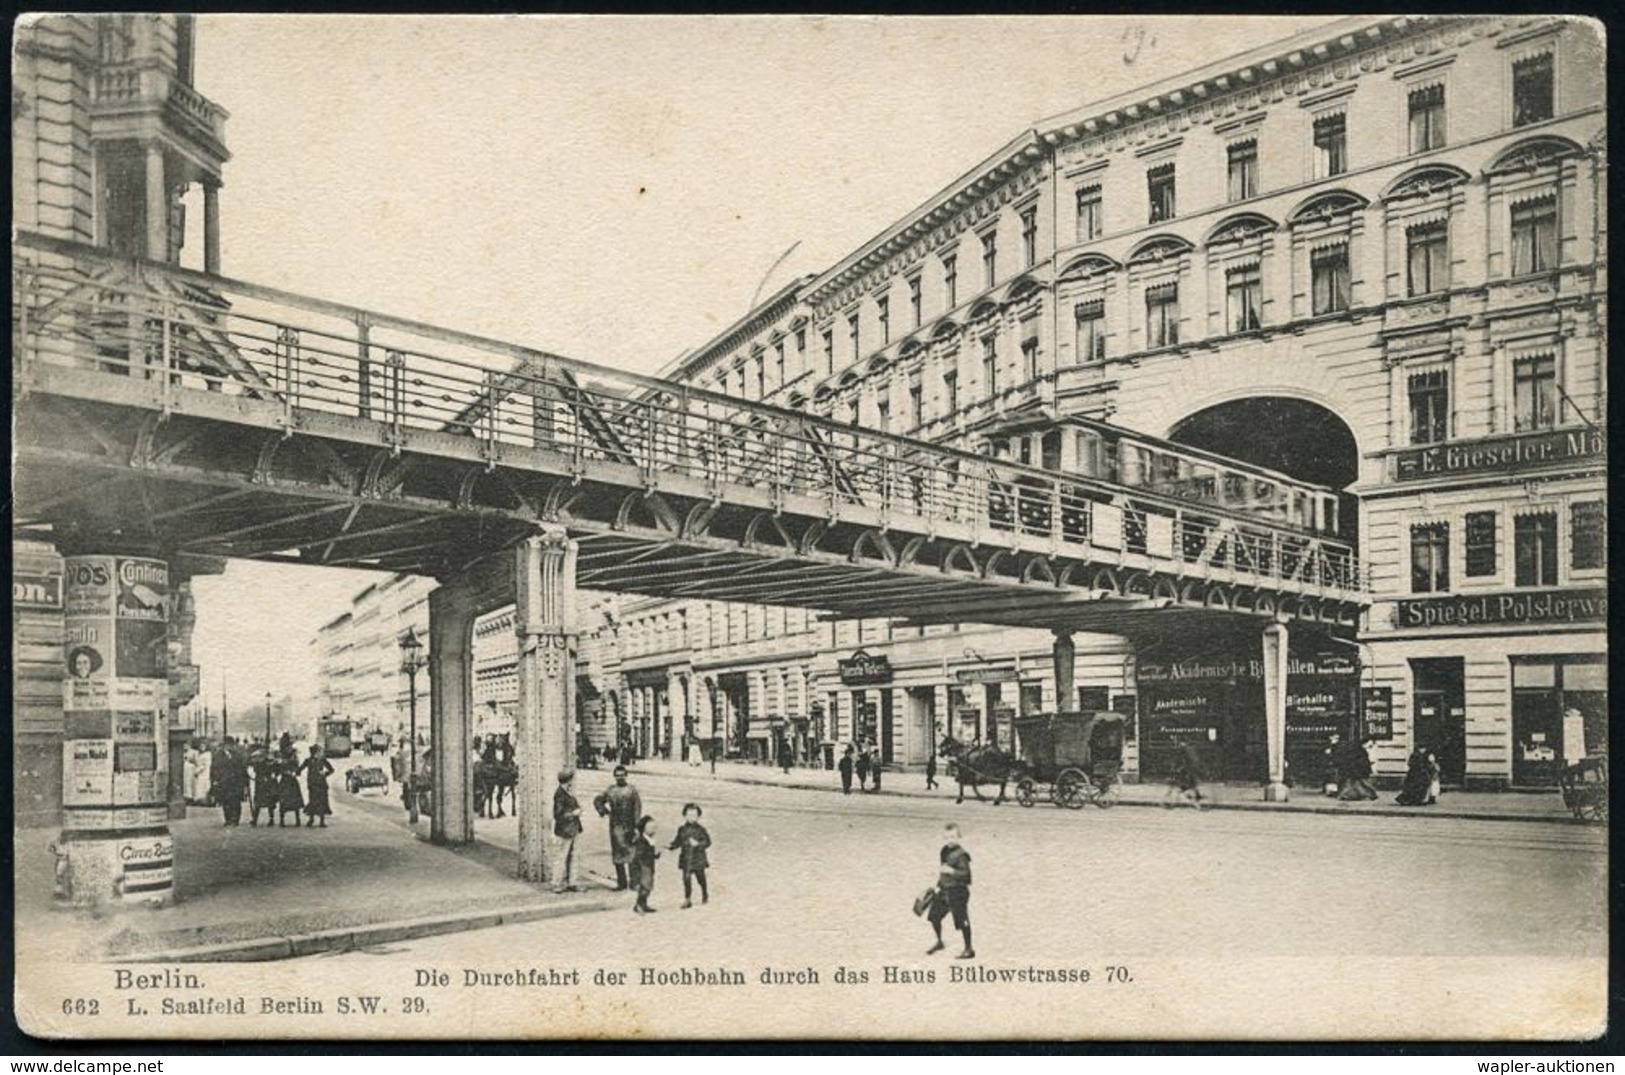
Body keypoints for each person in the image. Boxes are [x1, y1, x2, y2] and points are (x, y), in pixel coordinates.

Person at [927, 822, 974, 959]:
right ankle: (939, 942)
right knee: (934, 916)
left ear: (959, 837)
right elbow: (942, 871)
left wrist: (952, 871)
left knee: (962, 920)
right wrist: (938, 885)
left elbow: (967, 876)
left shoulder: (962, 855)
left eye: (953, 837)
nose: (950, 840)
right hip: (944, 889)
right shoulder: (944, 851)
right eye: (947, 837)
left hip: (958, 891)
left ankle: (969, 948)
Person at [593, 765, 643, 890]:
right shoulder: (610, 790)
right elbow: (598, 800)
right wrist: (604, 811)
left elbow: (637, 809)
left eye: (622, 775)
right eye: (617, 775)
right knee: (618, 856)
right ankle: (621, 883)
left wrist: (637, 827)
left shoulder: (632, 790)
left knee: (633, 855)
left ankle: (635, 882)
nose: (620, 777)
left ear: (626, 775)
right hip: (615, 827)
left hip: (630, 825)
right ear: (614, 776)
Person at [668, 802, 712, 908]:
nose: (692, 818)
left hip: (698, 858)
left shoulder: (701, 830)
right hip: (686, 858)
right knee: (686, 879)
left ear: (698, 816)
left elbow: (708, 842)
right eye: (689, 815)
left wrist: (698, 844)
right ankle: (688, 899)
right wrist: (671, 846)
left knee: (700, 878)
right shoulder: (682, 829)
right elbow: (678, 841)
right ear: (684, 816)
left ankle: (704, 893)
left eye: (694, 815)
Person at [552, 769, 584, 893]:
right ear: (568, 780)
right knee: (562, 856)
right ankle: (557, 883)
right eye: (571, 779)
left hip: (573, 829)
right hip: (565, 830)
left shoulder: (567, 792)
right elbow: (558, 815)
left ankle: (572, 882)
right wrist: (573, 813)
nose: (572, 781)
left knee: (574, 856)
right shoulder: (560, 794)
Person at [211, 738, 246, 827]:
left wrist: (245, 782)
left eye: (231, 745)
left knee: (236, 801)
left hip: (236, 782)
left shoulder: (238, 755)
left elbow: (242, 768)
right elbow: (214, 769)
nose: (229, 747)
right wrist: (214, 780)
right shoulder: (218, 756)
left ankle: (235, 819)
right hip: (224, 782)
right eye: (227, 745)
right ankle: (228, 819)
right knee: (225, 801)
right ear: (224, 746)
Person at [630, 816, 660, 914]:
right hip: (642, 866)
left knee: (648, 886)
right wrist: (653, 854)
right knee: (645, 886)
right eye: (651, 828)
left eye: (654, 828)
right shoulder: (641, 841)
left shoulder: (648, 840)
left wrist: (655, 855)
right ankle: (639, 905)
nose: (653, 830)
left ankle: (644, 904)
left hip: (648, 866)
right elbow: (641, 854)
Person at [300, 743, 335, 827]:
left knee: (322, 801)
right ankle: (311, 819)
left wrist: (325, 773)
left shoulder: (323, 760)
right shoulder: (308, 760)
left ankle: (321, 821)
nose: (320, 753)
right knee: (313, 800)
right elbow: (300, 768)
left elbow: (331, 770)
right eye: (319, 751)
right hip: (312, 784)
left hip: (321, 783)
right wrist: (296, 772)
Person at [1164, 743, 1204, 809]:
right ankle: (1196, 799)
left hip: (1186, 776)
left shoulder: (1186, 756)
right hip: (1188, 775)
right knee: (1187, 789)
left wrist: (1178, 770)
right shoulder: (1189, 754)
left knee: (1182, 789)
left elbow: (1184, 765)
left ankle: (1174, 804)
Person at [276, 740, 305, 827]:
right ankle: (282, 820)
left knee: (294, 801)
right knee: (284, 800)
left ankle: (297, 820)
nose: (290, 747)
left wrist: (294, 772)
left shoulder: (293, 756)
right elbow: (278, 769)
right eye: (289, 746)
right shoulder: (281, 756)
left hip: (291, 779)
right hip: (285, 779)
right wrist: (283, 769)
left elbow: (297, 768)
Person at [248, 745, 278, 827]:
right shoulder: (259, 762)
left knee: (267, 802)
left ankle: (266, 819)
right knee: (260, 802)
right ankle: (257, 819)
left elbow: (275, 771)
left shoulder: (267, 762)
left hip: (265, 783)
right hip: (262, 783)